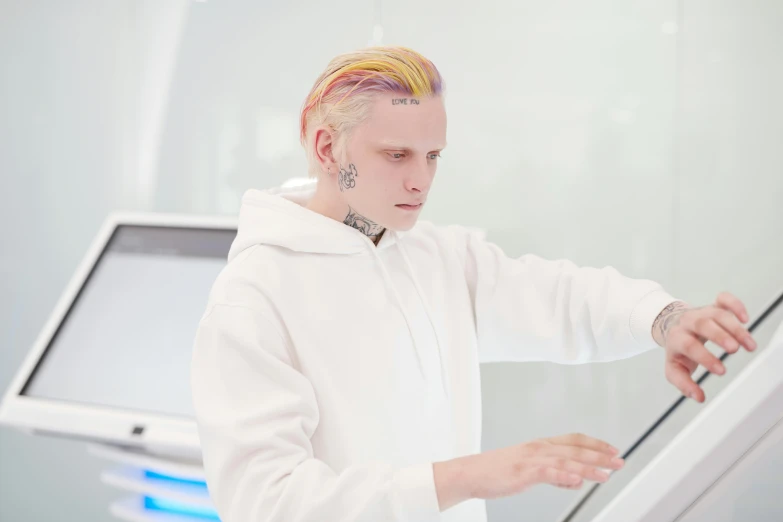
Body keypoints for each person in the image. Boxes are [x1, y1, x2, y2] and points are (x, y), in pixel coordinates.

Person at [190, 46, 757, 522]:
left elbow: (559, 298)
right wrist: (468, 477)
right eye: (397, 155)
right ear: (325, 147)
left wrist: (665, 320)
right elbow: (265, 501)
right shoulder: (255, 296)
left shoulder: (432, 256)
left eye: (433, 156)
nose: (421, 181)